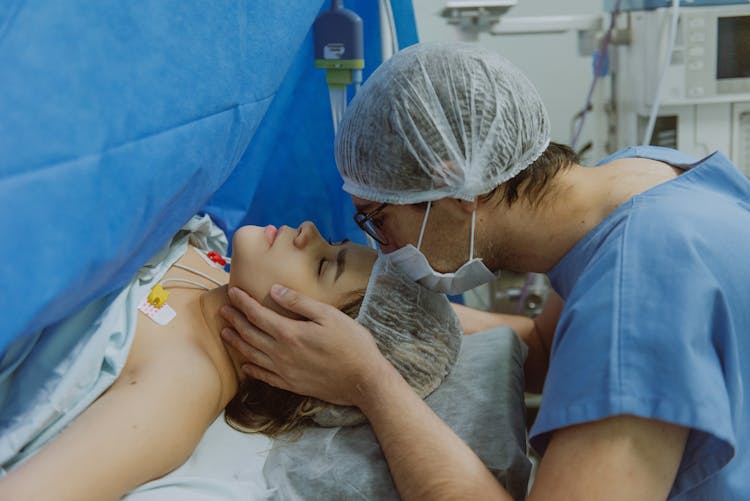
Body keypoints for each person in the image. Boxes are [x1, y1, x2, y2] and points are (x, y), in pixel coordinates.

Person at [220, 42, 750, 500]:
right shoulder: (639, 179)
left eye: (378, 218)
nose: (383, 252)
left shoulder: (636, 294)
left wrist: (370, 380)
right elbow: (543, 348)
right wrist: (380, 333)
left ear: (458, 187)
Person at [0, 220, 378, 501]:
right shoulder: (216, 265)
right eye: (332, 242)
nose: (308, 230)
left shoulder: (178, 389)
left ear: (305, 354)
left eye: (323, 265)